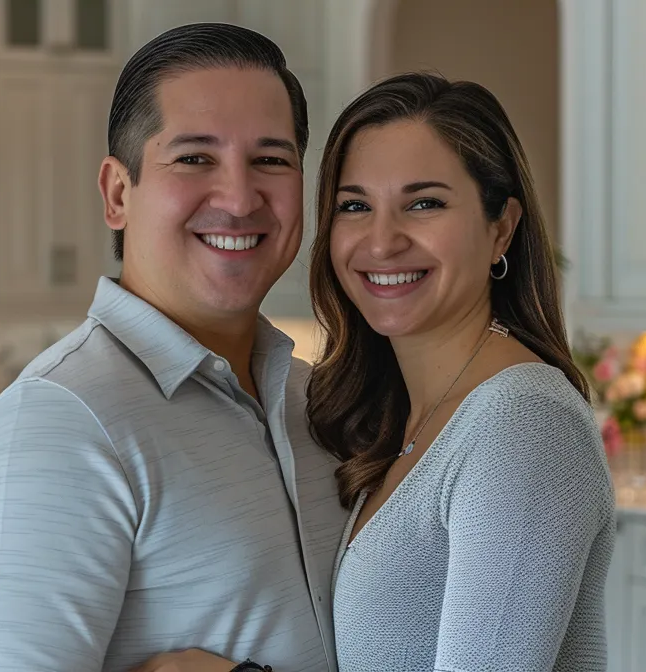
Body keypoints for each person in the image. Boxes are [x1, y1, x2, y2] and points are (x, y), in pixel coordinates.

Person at [135, 71, 615, 672]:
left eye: (424, 203)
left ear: (501, 228)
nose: (382, 242)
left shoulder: (521, 423)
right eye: (355, 206)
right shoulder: (397, 417)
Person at [0, 22, 348, 672]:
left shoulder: (315, 403)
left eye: (271, 159)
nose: (241, 197)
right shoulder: (58, 422)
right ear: (117, 194)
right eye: (194, 158)